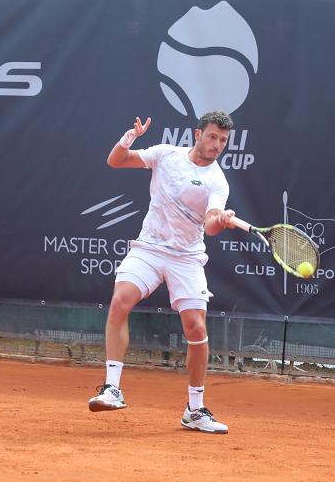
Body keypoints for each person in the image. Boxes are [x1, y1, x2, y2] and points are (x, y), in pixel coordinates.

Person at [88, 111, 236, 434]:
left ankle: (194, 410)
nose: (217, 145)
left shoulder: (217, 181)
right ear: (198, 134)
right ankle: (112, 388)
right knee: (120, 301)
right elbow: (116, 161)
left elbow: (210, 225)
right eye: (212, 137)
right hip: (150, 248)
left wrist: (220, 220)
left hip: (187, 257)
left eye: (223, 140)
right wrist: (129, 138)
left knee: (196, 328)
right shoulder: (166, 154)